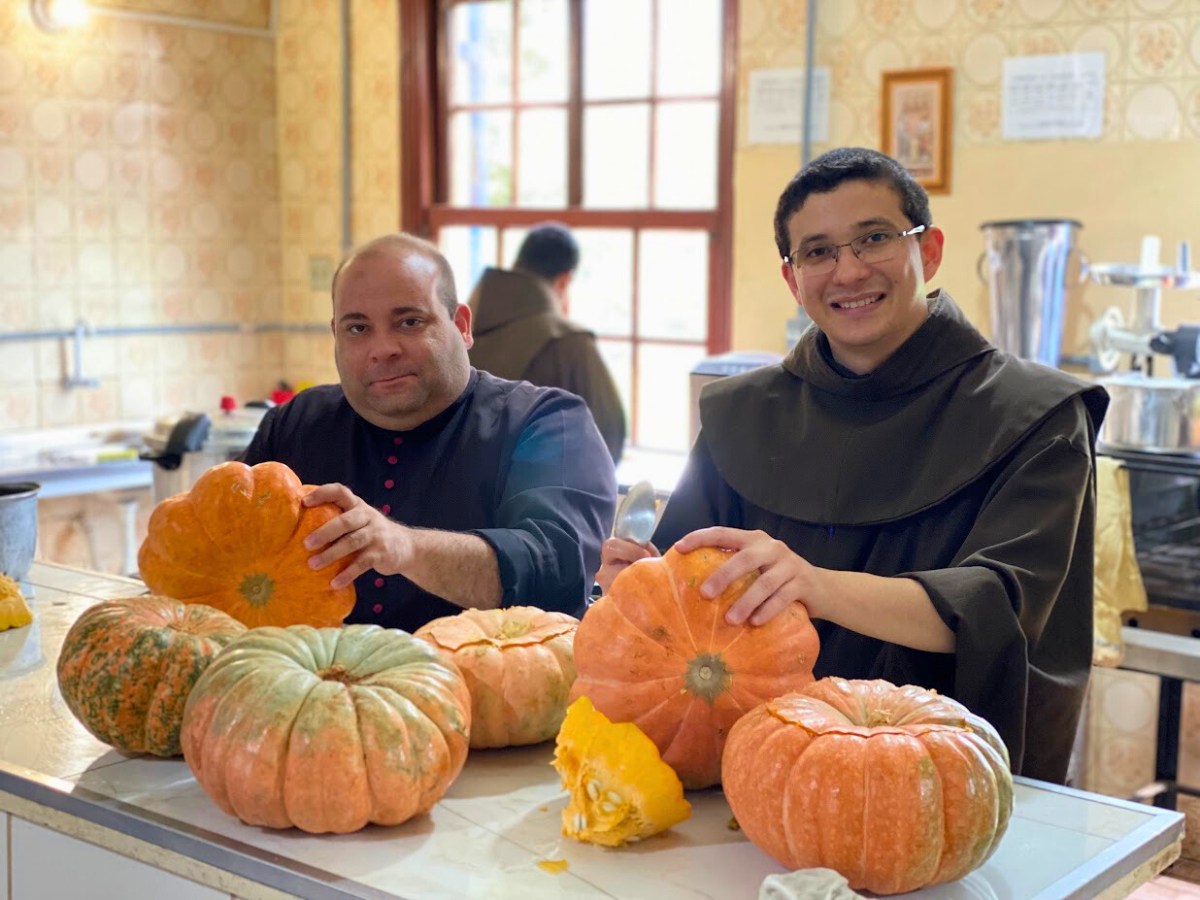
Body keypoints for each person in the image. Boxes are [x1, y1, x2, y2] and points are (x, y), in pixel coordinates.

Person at [596, 147, 1108, 785]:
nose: (848, 271)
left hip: (937, 774)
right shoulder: (741, 413)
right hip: (751, 768)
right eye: (817, 251)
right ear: (792, 278)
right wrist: (641, 591)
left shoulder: (1037, 413)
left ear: (931, 250)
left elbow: (996, 609)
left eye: (874, 239)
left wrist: (814, 584)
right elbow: (691, 594)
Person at [241, 232, 617, 633]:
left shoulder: (547, 422)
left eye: (409, 322)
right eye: (357, 329)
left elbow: (556, 573)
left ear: (462, 325)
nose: (383, 348)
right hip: (310, 685)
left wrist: (406, 547)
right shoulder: (295, 423)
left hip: (488, 690)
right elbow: (222, 546)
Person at [467, 223, 627, 463]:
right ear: (564, 281)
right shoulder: (568, 343)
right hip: (538, 496)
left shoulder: (457, 326)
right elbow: (606, 440)